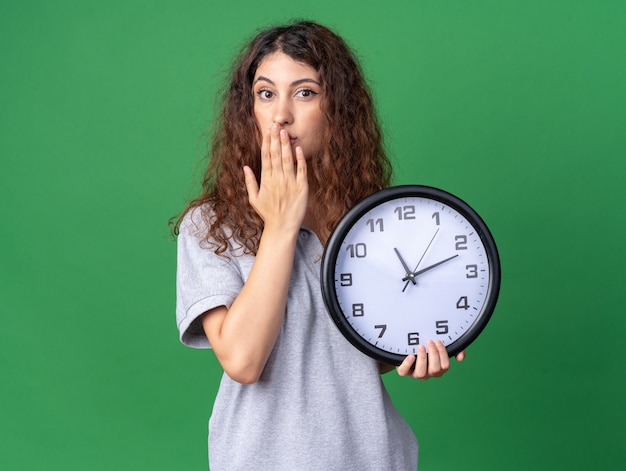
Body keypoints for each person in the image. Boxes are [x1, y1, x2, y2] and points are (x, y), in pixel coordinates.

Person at [174, 20, 465, 470]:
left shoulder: (374, 220)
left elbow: (361, 353)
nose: (280, 114)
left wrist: (417, 351)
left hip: (372, 456)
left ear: (337, 108)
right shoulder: (211, 225)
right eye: (265, 93)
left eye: (305, 92)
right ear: (248, 107)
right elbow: (243, 361)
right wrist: (281, 225)